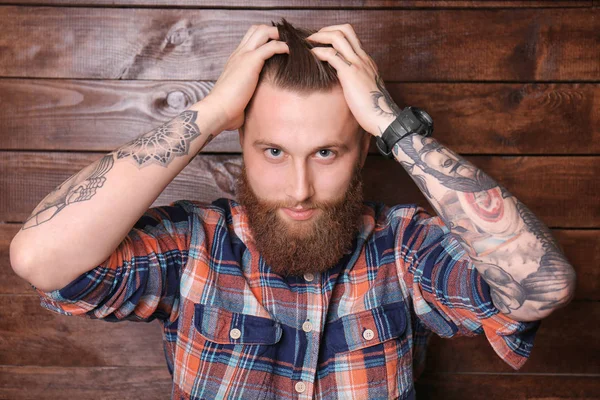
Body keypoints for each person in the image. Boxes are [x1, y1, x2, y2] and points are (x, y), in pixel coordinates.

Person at [10, 19, 576, 400]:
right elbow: (39, 257)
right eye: (274, 151)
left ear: (361, 154)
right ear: (242, 142)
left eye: (326, 152)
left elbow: (541, 287)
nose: (299, 188)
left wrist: (394, 127)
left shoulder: (405, 249)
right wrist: (208, 115)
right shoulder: (193, 247)